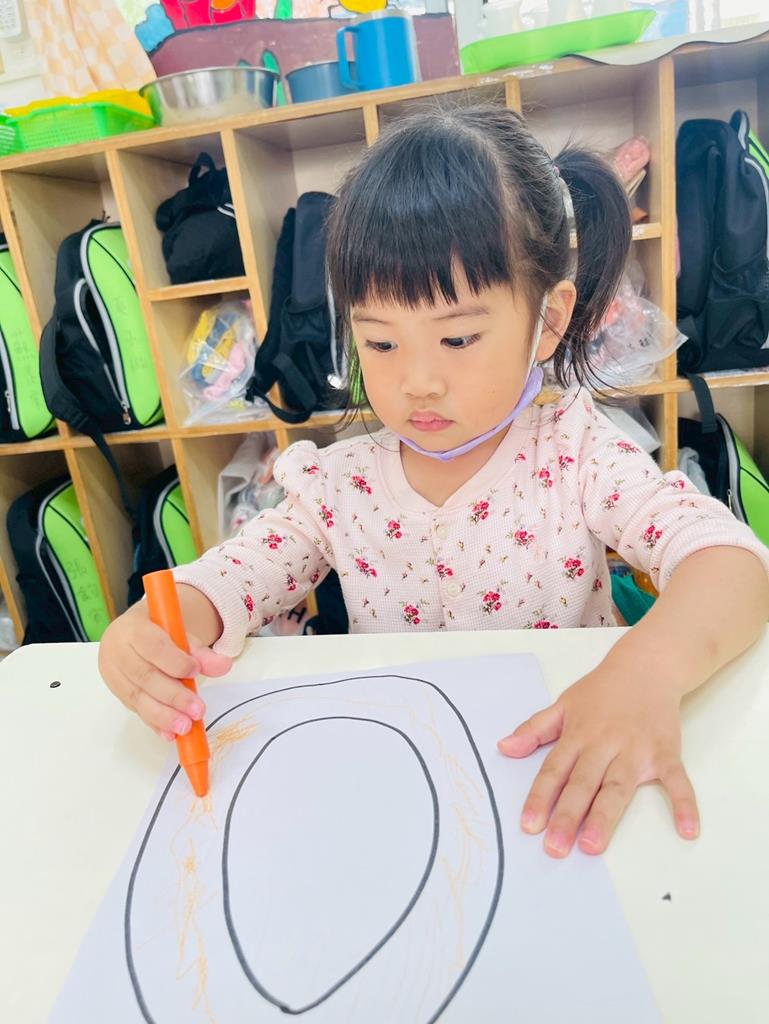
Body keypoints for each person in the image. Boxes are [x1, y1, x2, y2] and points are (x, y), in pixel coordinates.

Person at [99, 105, 769, 858]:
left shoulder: (576, 451)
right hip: (405, 793)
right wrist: (160, 629)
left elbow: (731, 564)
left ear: (549, 321)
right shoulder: (339, 484)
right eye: (380, 342)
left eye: (457, 337)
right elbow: (236, 575)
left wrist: (647, 671)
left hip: (555, 777)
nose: (418, 381)